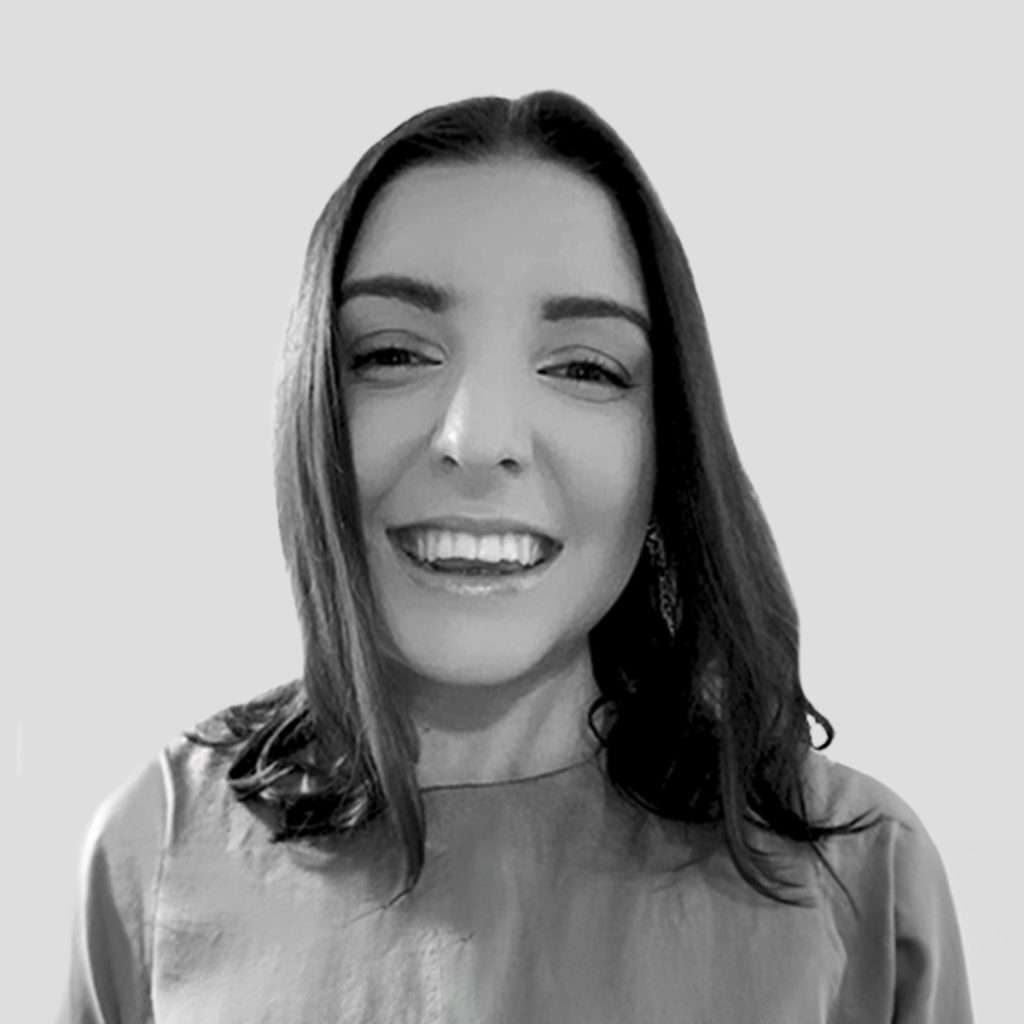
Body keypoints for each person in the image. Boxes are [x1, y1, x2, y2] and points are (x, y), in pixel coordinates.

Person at [58, 90, 974, 1022]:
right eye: (393, 354)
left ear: (668, 446)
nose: (477, 437)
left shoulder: (863, 876)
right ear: (311, 409)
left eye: (583, 367)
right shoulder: (157, 851)